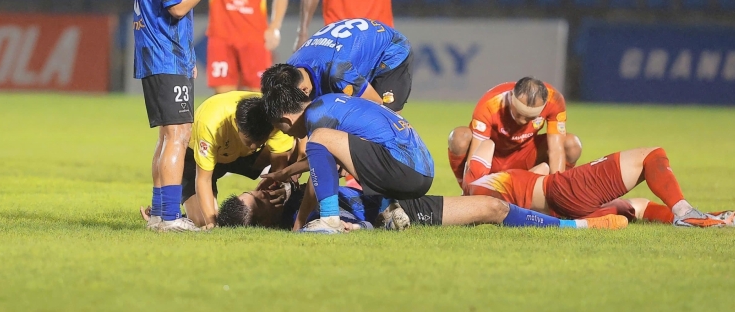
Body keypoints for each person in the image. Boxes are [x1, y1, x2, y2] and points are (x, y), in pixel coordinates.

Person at [134, 0, 237, 232]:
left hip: (171, 55)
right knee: (178, 135)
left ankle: (160, 215)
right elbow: (177, 7)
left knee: (171, 135)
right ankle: (167, 218)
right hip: (163, 55)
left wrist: (188, 57)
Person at [263, 86, 433, 234]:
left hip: (404, 169)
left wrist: (299, 223)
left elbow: (318, 177)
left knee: (319, 137)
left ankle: (329, 221)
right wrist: (287, 172)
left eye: (281, 129)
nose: (286, 134)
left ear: (286, 119)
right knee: (328, 142)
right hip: (421, 169)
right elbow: (327, 159)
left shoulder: (316, 118)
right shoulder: (327, 104)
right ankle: (389, 211)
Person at [463, 139, 735, 229]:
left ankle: (707, 218)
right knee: (652, 155)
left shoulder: (486, 195)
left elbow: (520, 203)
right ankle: (684, 211)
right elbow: (486, 144)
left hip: (564, 209)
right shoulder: (476, 184)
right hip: (563, 190)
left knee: (639, 207)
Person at [215, 183, 628, 231]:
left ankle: (572, 218)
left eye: (254, 191)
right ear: (265, 219)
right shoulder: (304, 223)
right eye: (260, 201)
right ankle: (579, 229)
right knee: (491, 208)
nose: (264, 193)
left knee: (495, 206)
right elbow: (350, 227)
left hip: (391, 191)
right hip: (399, 210)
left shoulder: (286, 193)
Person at [179, 92, 296, 229]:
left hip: (240, 155)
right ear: (236, 123)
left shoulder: (275, 119)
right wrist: (211, 223)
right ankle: (181, 216)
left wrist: (278, 189)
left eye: (260, 141)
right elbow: (203, 179)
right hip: (199, 156)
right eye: (249, 140)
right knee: (202, 220)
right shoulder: (210, 124)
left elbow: (280, 168)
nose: (253, 146)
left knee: (292, 147)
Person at [448, 77, 582, 189]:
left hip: (526, 155)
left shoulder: (554, 100)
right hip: (492, 158)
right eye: (518, 114)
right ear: (511, 96)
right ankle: (465, 189)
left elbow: (556, 150)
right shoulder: (491, 103)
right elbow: (476, 156)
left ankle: (547, 194)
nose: (523, 121)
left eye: (530, 118)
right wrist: (471, 191)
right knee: (460, 137)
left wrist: (556, 191)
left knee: (572, 145)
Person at [262, 18, 413, 111]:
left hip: (391, 51)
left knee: (384, 121)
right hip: (350, 52)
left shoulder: (338, 73)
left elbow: (376, 106)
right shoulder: (290, 70)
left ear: (305, 90)